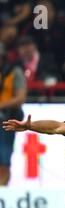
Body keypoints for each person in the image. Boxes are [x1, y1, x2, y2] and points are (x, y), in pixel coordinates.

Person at [22, 0, 65, 81]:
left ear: (52, 12)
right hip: (38, 66)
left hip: (61, 64)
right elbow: (22, 46)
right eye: (38, 12)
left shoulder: (64, 28)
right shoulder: (30, 30)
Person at [0, 42, 27, 186]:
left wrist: (2, 105)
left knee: (4, 159)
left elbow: (20, 97)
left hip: (6, 119)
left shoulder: (14, 72)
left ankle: (2, 191)